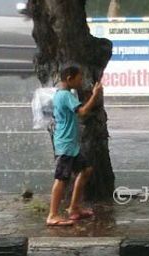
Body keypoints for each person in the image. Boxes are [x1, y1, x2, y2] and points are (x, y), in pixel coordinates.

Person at [46, 65, 103, 226]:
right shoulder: (65, 95)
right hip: (65, 145)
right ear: (69, 79)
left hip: (71, 145)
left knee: (86, 170)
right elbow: (83, 112)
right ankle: (52, 215)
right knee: (61, 179)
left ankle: (74, 208)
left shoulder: (61, 94)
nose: (81, 81)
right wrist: (95, 94)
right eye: (79, 78)